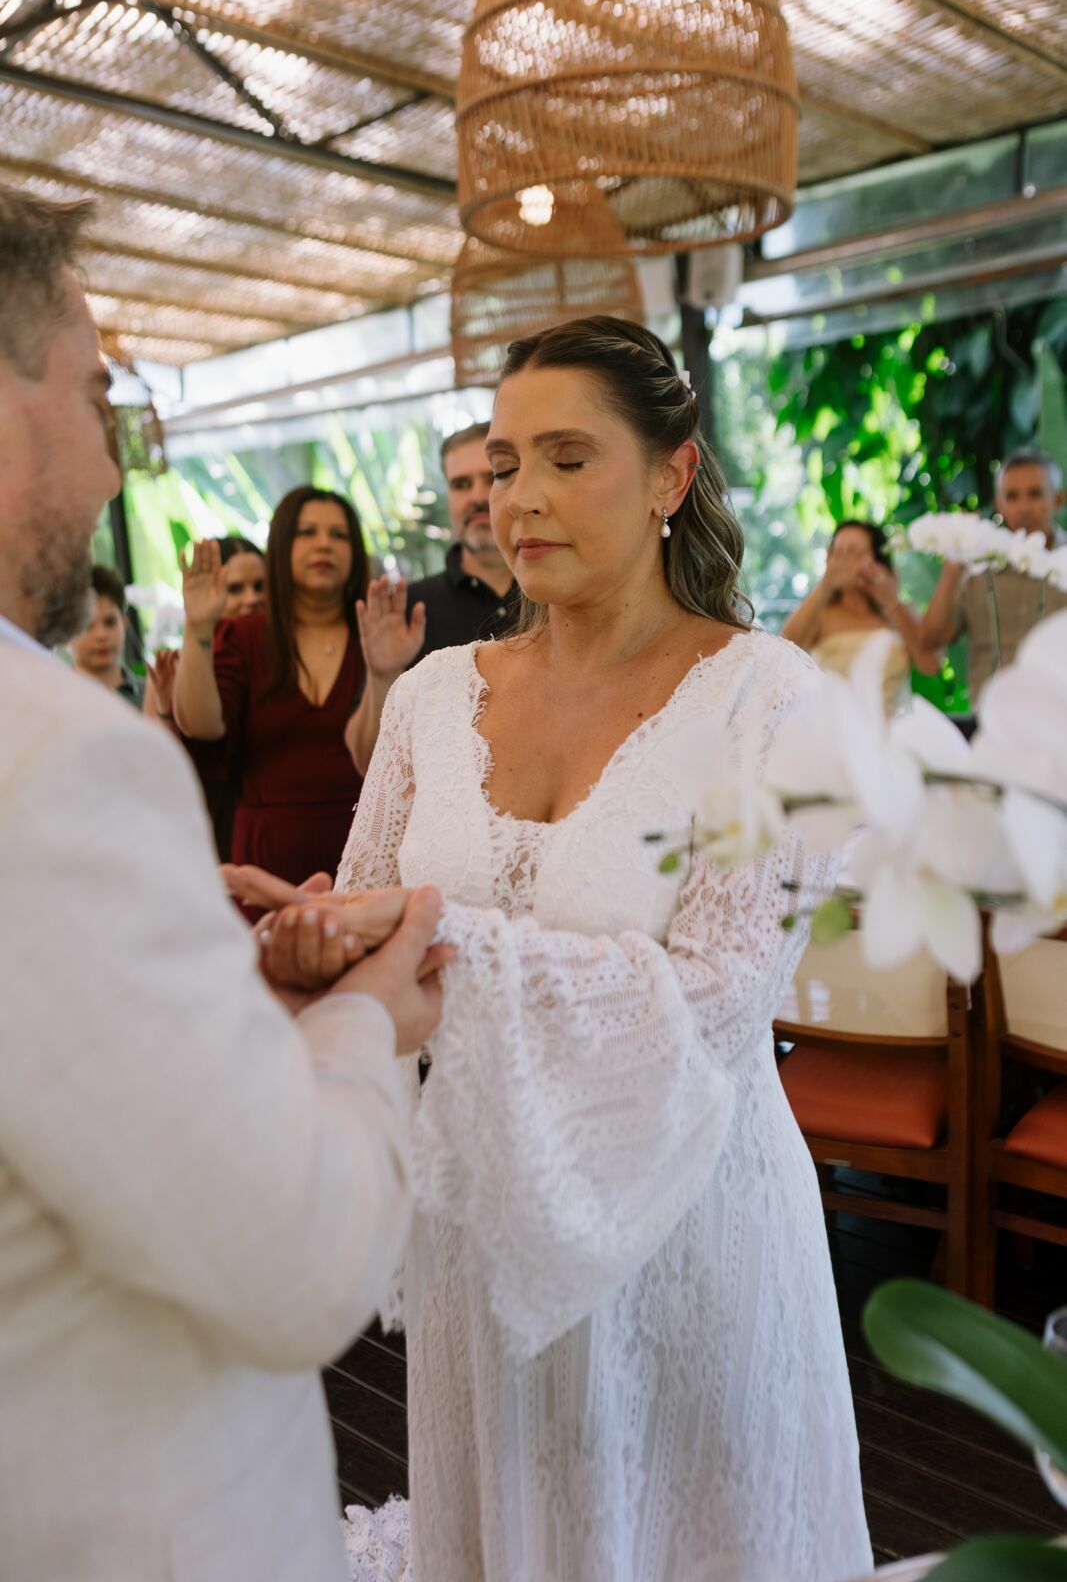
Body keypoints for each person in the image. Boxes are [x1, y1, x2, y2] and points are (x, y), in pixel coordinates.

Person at [317, 316, 871, 1581]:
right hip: (477, 1232)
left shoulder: (769, 698)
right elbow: (366, 927)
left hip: (688, 1227)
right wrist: (307, 934)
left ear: (671, 475)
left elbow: (722, 1002)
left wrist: (437, 935)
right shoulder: (428, 698)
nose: (520, 500)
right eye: (506, 465)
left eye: (569, 458)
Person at [0, 183, 450, 1581]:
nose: (116, 467)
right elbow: (297, 1262)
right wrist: (359, 1021)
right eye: (99, 397)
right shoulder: (60, 758)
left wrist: (206, 970)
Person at [174, 489, 368, 887]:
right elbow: (201, 725)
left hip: (367, 848)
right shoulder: (243, 637)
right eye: (307, 532)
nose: (323, 544)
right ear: (280, 547)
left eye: (339, 535)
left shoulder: (379, 636)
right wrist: (198, 626)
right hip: (267, 860)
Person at [346, 422, 519, 775]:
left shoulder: (561, 597)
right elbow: (367, 764)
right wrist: (382, 675)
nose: (475, 496)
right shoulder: (407, 610)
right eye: (461, 484)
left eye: (493, 477)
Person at [146, 536, 267, 858]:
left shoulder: (283, 663)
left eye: (260, 586)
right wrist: (165, 707)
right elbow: (156, 770)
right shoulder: (171, 666)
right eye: (235, 589)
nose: (251, 599)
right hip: (202, 828)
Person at [916, 449, 1067, 703]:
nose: (1024, 507)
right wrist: (952, 569)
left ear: (1058, 499)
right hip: (990, 726)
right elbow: (930, 640)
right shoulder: (976, 568)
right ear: (999, 504)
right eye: (1012, 496)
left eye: (1035, 494)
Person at [781, 519, 940, 712]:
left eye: (855, 553)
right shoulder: (820, 613)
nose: (845, 562)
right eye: (839, 553)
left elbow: (931, 664)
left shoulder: (899, 611)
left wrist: (891, 601)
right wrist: (825, 587)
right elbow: (784, 652)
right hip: (835, 729)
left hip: (893, 730)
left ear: (878, 560)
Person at [68, 562, 145, 707]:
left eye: (110, 622)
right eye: (87, 626)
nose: (101, 635)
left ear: (124, 624)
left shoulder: (154, 697)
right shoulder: (57, 700)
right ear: (66, 635)